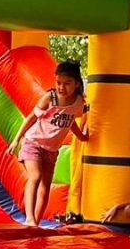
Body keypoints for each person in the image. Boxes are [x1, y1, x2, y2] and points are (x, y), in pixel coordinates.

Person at [9, 61, 88, 227]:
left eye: (67, 84)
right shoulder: (50, 98)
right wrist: (17, 139)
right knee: (35, 176)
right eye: (58, 83)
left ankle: (36, 223)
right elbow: (31, 117)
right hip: (34, 143)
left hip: (52, 150)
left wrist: (81, 136)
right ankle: (29, 219)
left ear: (77, 84)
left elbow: (71, 120)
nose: (61, 88)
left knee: (45, 186)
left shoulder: (79, 102)